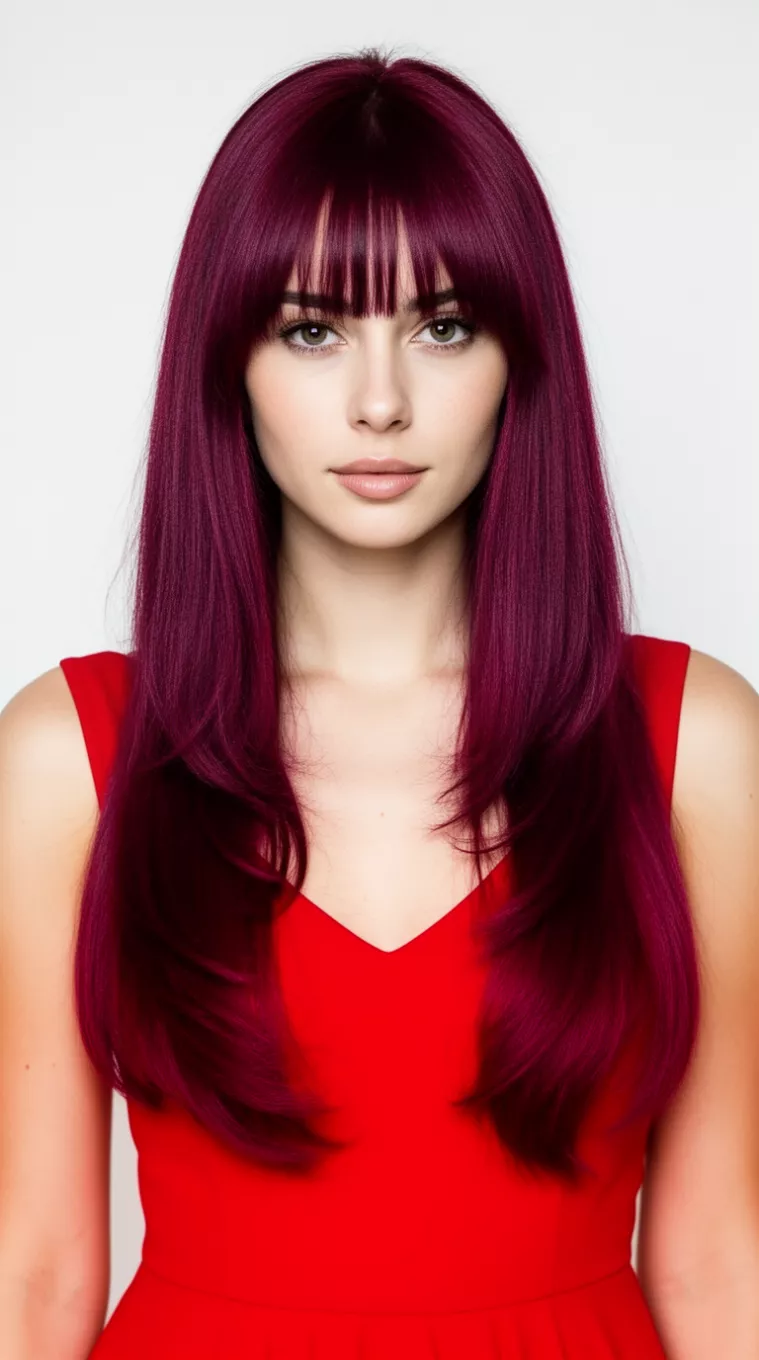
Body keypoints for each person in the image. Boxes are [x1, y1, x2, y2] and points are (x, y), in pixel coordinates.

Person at [1, 45, 758, 1360]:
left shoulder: (691, 746)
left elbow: (710, 1263)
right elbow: (42, 1273)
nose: (379, 401)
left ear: (522, 359)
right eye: (310, 329)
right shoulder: (72, 761)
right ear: (226, 364)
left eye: (442, 326)